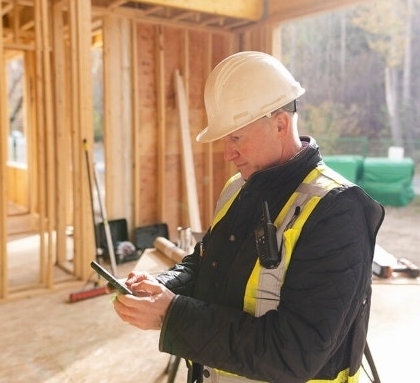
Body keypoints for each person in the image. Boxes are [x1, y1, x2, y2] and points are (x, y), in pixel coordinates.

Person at [112, 51, 385, 383]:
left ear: (281, 123)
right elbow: (205, 265)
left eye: (236, 137)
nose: (228, 154)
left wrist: (172, 314)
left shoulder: (338, 212)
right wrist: (162, 286)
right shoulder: (237, 188)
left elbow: (295, 353)